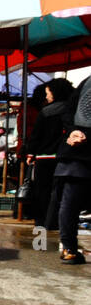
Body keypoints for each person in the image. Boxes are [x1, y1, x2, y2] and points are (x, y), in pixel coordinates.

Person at [44, 76, 91, 264]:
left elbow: (68, 111)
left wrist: (73, 131)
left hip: (74, 152)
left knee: (69, 204)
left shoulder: (87, 81)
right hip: (78, 153)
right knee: (69, 203)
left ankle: (69, 249)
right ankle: (69, 248)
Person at [24, 78, 74, 226]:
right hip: (65, 158)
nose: (46, 96)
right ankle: (55, 221)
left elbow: (36, 136)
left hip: (44, 158)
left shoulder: (46, 112)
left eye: (48, 93)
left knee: (42, 192)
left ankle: (42, 222)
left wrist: (30, 154)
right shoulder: (73, 110)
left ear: (55, 92)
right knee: (61, 192)